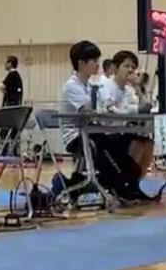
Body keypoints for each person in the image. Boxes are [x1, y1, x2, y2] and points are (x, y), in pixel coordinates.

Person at [59, 41, 146, 201]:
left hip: (92, 132)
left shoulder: (89, 85)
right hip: (76, 137)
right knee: (106, 148)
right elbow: (90, 112)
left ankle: (130, 184)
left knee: (120, 145)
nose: (97, 65)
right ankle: (118, 188)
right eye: (94, 61)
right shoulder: (72, 86)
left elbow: (102, 110)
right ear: (81, 63)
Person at [100, 50, 154, 177]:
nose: (130, 70)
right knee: (137, 144)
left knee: (148, 144)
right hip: (106, 133)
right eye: (126, 66)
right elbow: (111, 112)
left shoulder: (129, 90)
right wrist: (134, 111)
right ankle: (126, 180)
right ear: (115, 68)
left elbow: (145, 107)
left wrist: (137, 86)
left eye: (133, 67)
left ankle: (136, 181)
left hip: (123, 132)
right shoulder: (106, 85)